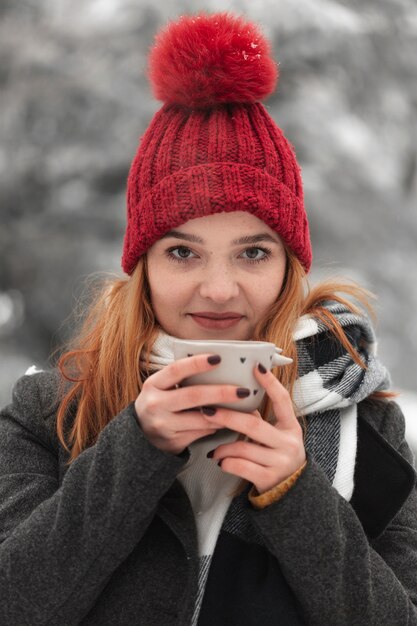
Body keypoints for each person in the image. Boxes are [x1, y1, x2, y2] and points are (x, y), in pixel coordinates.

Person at [0, 12, 416, 626]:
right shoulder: (50, 413)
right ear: (142, 265)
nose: (219, 290)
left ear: (289, 266)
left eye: (253, 252)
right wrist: (135, 452)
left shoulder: (365, 424)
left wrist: (296, 499)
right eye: (182, 252)